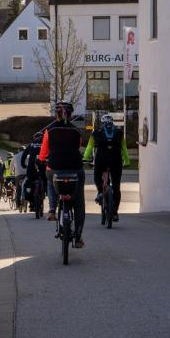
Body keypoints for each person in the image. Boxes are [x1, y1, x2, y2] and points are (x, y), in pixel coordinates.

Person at [39, 101, 86, 247]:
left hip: (55, 168)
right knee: (79, 204)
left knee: (49, 179)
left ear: (56, 114)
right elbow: (77, 148)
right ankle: (78, 237)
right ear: (71, 115)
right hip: (75, 169)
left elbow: (44, 151)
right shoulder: (76, 131)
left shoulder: (50, 130)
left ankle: (52, 209)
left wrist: (41, 159)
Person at [83, 113, 130, 221]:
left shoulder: (96, 133)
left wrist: (85, 158)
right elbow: (124, 149)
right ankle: (115, 213)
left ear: (102, 123)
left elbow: (90, 147)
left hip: (101, 161)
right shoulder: (119, 133)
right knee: (116, 187)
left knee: (97, 177)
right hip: (116, 162)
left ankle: (100, 192)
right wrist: (126, 161)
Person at [21, 131, 46, 212]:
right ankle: (47, 194)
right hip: (43, 167)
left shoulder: (31, 145)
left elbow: (24, 155)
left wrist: (23, 165)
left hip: (31, 168)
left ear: (35, 138)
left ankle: (31, 202)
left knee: (28, 182)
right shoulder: (45, 144)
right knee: (46, 182)